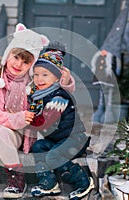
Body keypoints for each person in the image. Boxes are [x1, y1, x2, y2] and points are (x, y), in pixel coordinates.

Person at [0, 23, 75, 199]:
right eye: (16, 57)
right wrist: (19, 117)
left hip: (12, 136)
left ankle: (16, 179)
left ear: (32, 64)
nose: (19, 64)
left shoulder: (33, 84)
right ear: (8, 55)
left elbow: (56, 93)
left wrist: (65, 82)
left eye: (26, 61)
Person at [25, 49, 95, 199]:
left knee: (52, 157)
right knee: (38, 147)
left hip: (75, 139)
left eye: (45, 75)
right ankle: (49, 183)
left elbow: (44, 122)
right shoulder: (38, 96)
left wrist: (25, 118)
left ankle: (83, 182)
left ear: (56, 78)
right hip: (57, 139)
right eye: (36, 74)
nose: (39, 79)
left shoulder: (59, 97)